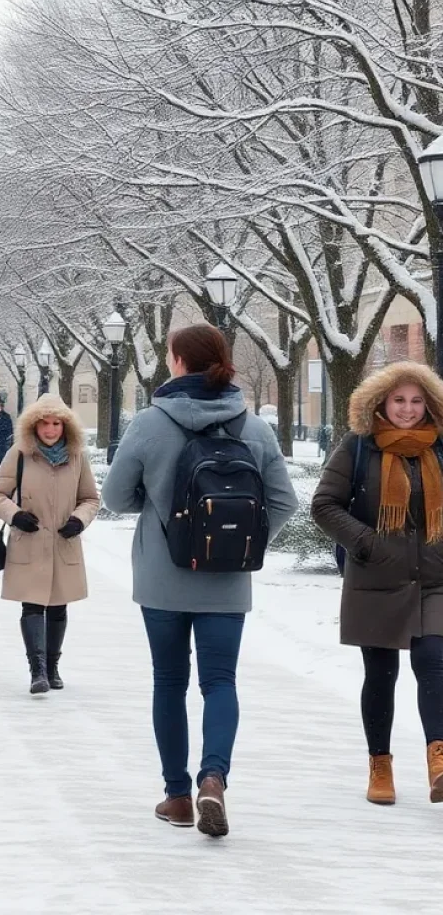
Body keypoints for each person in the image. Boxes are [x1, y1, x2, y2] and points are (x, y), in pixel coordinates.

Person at [102, 324, 297, 837]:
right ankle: (214, 776)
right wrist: (240, 541)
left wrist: (161, 504)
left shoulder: (149, 423)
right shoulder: (254, 428)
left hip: (163, 576)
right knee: (220, 682)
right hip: (226, 580)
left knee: (169, 681)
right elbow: (283, 502)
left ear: (179, 362)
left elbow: (117, 497)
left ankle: (178, 795)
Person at [311, 361, 443, 807]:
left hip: (434, 577)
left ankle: (439, 761)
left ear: (430, 403)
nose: (408, 409)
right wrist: (368, 543)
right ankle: (380, 763)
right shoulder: (360, 447)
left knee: (434, 661)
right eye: (399, 400)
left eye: (416, 400)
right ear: (381, 402)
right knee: (381, 674)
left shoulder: (441, 447)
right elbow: (325, 505)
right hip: (376, 577)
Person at [0, 394, 99, 696]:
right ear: (33, 425)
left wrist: (79, 519)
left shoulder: (77, 457)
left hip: (64, 542)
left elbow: (90, 498)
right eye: (45, 424)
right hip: (30, 543)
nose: (50, 430)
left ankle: (52, 666)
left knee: (59, 605)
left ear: (66, 426)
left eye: (56, 424)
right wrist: (16, 515)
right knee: (33, 604)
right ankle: (37, 669)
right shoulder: (20, 454)